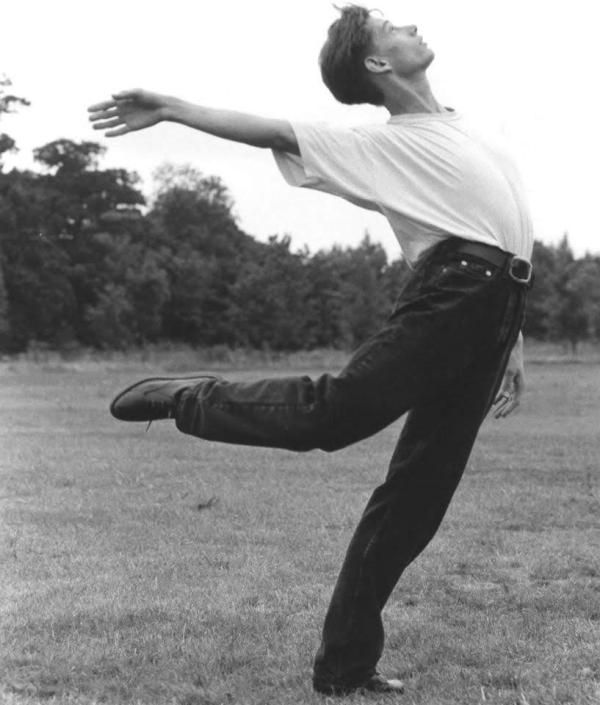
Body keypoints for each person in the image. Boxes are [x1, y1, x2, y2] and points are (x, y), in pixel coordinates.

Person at [88, 4, 533, 696]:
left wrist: (515, 336)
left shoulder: (467, 127)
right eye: (393, 29)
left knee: (416, 499)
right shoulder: (379, 145)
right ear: (379, 65)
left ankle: (345, 666)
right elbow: (271, 127)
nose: (410, 25)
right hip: (451, 292)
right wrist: (171, 107)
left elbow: (509, 223)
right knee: (330, 416)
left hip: (495, 303)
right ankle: (188, 397)